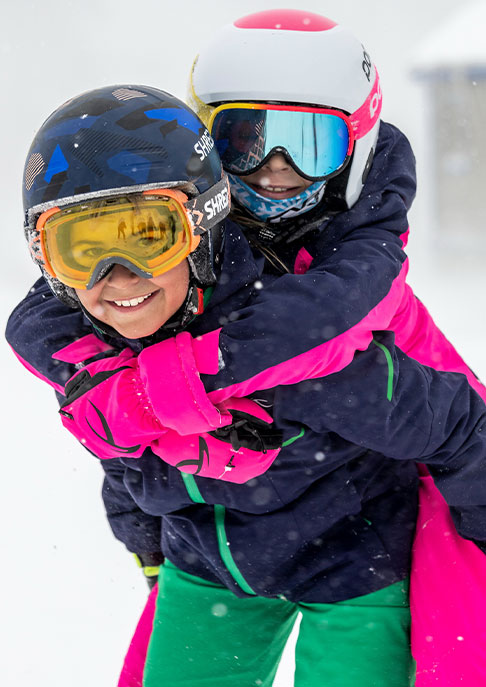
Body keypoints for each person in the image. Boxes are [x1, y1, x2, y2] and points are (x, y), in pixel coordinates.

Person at [6, 11, 486, 683]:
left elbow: (451, 418)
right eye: (247, 140)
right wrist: (146, 539)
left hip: (353, 558)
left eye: (308, 145)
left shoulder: (326, 345)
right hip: (212, 561)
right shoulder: (138, 316)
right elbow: (121, 455)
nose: (275, 171)